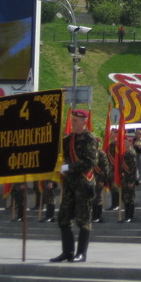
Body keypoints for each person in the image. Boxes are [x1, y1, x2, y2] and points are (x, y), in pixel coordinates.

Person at [51, 109, 98, 263]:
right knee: (63, 218)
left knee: (83, 219)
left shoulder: (89, 138)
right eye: (72, 120)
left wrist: (69, 168)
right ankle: (67, 252)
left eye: (76, 120)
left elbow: (90, 162)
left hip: (83, 183)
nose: (73, 123)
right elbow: (62, 157)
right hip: (70, 184)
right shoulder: (68, 139)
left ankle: (81, 253)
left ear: (84, 122)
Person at [119, 136, 138, 223]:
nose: (124, 143)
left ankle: (130, 216)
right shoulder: (126, 152)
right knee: (125, 197)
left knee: (130, 198)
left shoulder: (131, 153)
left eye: (126, 142)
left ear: (130, 143)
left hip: (129, 179)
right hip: (125, 178)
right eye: (124, 142)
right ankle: (126, 216)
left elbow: (133, 168)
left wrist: (131, 181)